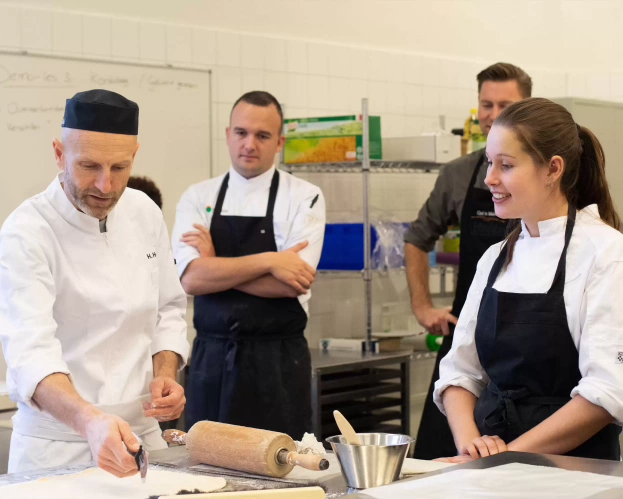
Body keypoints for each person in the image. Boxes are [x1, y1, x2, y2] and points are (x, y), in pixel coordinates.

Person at [0, 90, 189, 475]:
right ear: (59, 153)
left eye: (119, 168)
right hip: (58, 447)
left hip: (141, 439)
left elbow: (168, 309)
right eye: (89, 166)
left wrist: (166, 376)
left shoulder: (144, 213)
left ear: (134, 156)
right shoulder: (28, 231)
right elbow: (31, 353)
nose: (105, 186)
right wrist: (89, 421)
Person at [434, 97, 623, 462]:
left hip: (574, 473)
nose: (490, 178)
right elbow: (459, 371)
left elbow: (607, 391)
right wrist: (471, 446)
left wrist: (505, 458)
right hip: (492, 466)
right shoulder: (495, 258)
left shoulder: (605, 253)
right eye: (490, 162)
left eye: (505, 165)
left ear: (553, 169)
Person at [172, 91, 325, 439]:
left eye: (263, 135)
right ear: (228, 134)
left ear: (280, 142)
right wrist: (270, 261)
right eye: (241, 133)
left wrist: (215, 266)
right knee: (205, 478)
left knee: (281, 481)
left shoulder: (305, 197)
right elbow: (191, 280)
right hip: (211, 361)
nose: (249, 144)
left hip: (279, 366)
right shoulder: (198, 196)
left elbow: (291, 284)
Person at [404, 62, 532, 459]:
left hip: (526, 339)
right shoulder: (459, 174)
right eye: (486, 105)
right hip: (468, 331)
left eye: (505, 105)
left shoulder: (542, 178)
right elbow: (416, 237)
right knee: (443, 457)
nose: (493, 115)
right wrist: (422, 306)